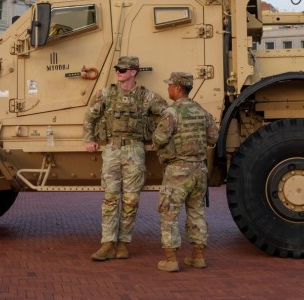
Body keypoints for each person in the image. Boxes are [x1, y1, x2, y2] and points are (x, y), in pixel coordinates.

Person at [83, 55, 168, 262]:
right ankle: (107, 243)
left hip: (135, 151)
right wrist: (89, 139)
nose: (119, 72)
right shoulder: (106, 94)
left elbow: (168, 116)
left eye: (123, 69)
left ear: (133, 72)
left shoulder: (147, 97)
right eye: (117, 69)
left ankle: (123, 244)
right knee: (110, 199)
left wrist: (159, 139)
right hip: (112, 150)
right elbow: (90, 116)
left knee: (131, 200)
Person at [153, 71, 218, 272]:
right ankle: (198, 257)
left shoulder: (171, 113)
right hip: (199, 169)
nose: (168, 89)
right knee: (197, 211)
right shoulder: (202, 112)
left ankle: (171, 259)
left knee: (169, 213)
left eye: (170, 85)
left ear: (177, 88)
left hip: (178, 170)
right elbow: (213, 138)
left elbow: (159, 139)